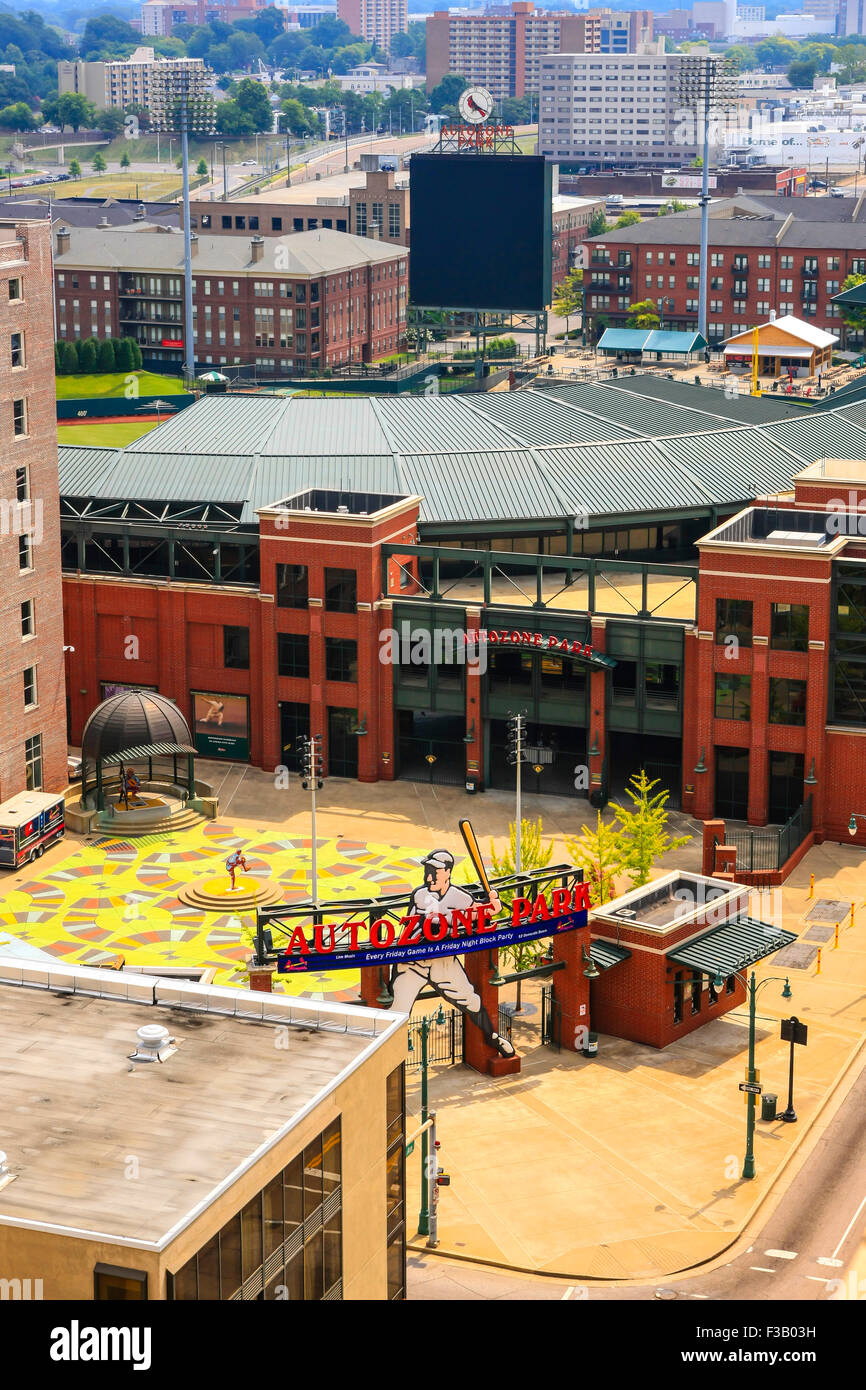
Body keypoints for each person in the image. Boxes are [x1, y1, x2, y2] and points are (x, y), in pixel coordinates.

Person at [388, 849, 515, 1059]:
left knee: (472, 1001)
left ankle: (494, 1038)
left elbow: (481, 914)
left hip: (444, 961)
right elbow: (406, 931)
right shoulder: (420, 895)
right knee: (397, 1012)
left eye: (434, 871)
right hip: (415, 962)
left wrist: (494, 907)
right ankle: (380, 1060)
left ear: (447, 871)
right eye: (427, 870)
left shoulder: (461, 898)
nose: (428, 877)